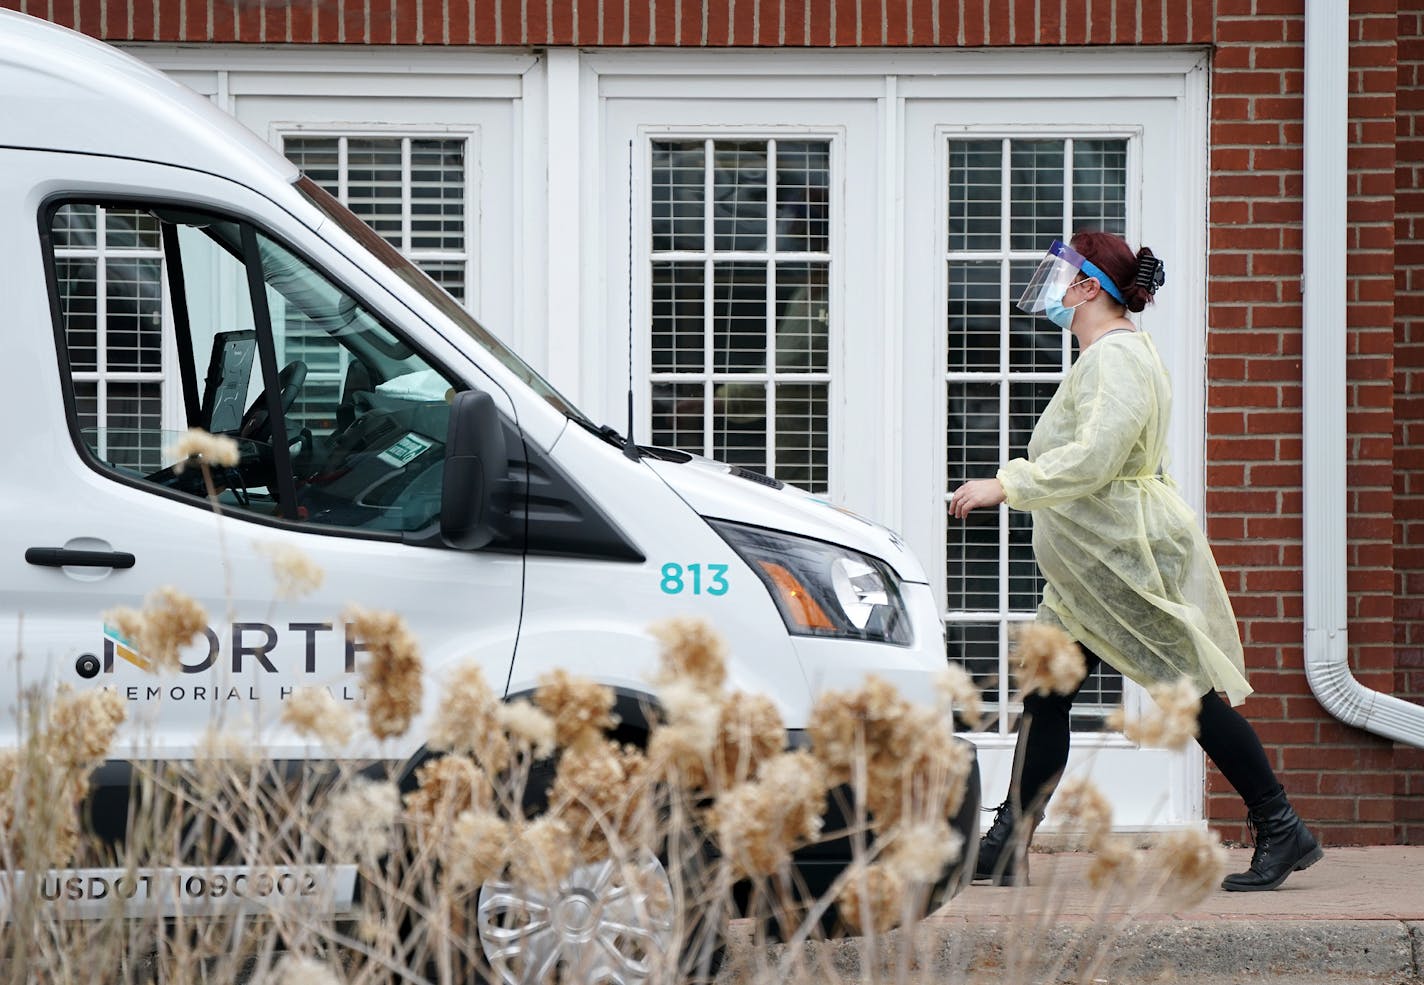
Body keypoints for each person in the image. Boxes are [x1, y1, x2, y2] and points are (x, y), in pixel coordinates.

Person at [947, 231, 1322, 892]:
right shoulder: (1108, 353)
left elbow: (1096, 457)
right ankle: (1010, 839)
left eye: (1064, 277)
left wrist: (1009, 484)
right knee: (1047, 693)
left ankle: (1281, 823)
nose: (1055, 290)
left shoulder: (1114, 358)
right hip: (1092, 569)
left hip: (1124, 561)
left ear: (1091, 286)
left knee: (1188, 693)